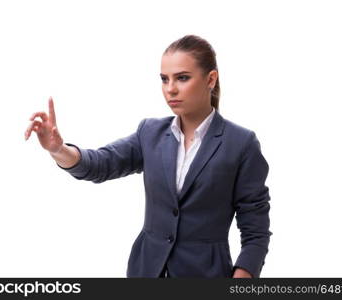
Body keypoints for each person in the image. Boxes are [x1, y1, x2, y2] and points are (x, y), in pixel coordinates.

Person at [24, 34, 272, 278]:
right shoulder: (150, 133)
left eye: (182, 78)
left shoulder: (241, 144)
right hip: (146, 271)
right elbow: (101, 164)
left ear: (211, 79)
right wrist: (58, 149)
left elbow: (256, 231)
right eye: (164, 79)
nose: (170, 89)